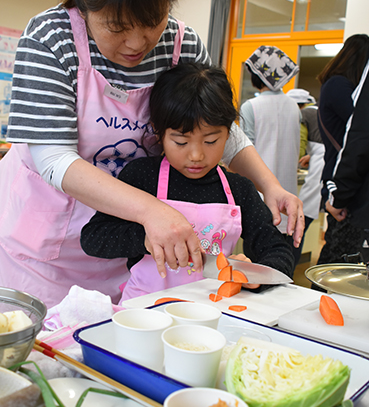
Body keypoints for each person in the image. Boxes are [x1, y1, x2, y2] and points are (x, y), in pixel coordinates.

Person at [0, 0, 303, 309]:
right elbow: (52, 157)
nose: (136, 43)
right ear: (84, 5)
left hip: (134, 239)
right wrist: (152, 211)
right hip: (42, 237)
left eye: (152, 22)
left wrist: (271, 186)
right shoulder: (50, 37)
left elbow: (218, 127)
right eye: (116, 27)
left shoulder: (181, 43)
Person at [81, 63, 295, 302]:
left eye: (211, 141)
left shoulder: (239, 190)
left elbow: (279, 252)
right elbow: (93, 238)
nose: (196, 155)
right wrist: (145, 237)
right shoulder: (142, 177)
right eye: (181, 142)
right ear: (158, 132)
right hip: (143, 312)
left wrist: (256, 275)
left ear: (229, 133)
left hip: (212, 313)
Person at [316, 34, 369, 265]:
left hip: (345, 181)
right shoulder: (339, 85)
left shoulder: (336, 85)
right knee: (336, 262)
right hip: (341, 182)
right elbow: (357, 130)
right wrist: (338, 197)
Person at [240, 46, 301, 238]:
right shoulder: (294, 106)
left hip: (260, 191)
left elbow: (243, 150)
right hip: (288, 189)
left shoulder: (251, 106)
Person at [287, 89, 325, 265]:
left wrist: (290, 165)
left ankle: (290, 264)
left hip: (321, 166)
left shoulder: (302, 114)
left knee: (300, 221)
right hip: (326, 160)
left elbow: (300, 144)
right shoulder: (318, 111)